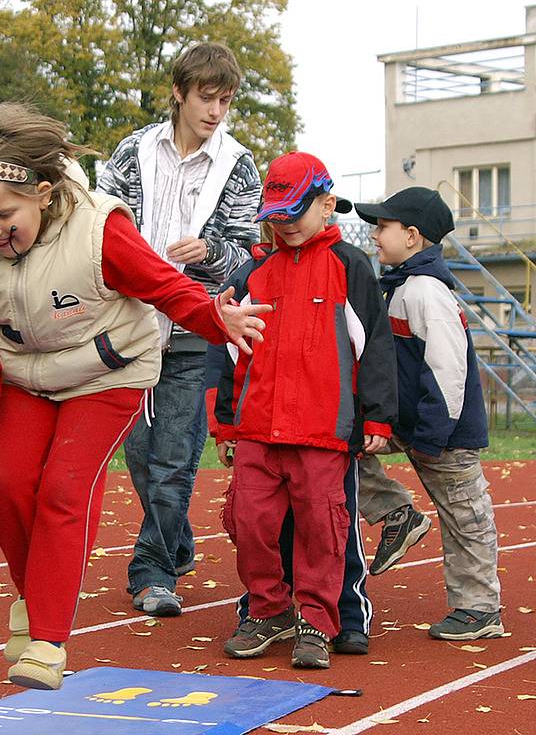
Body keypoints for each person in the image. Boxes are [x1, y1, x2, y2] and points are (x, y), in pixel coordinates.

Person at [0, 102, 271, 691]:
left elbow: (167, 287)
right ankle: (35, 596)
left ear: (43, 193)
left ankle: (46, 640)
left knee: (65, 490)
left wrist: (215, 317)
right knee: (3, 483)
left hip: (109, 371)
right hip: (29, 373)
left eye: (3, 217)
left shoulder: (101, 229)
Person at [214, 152, 397, 668]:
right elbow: (228, 353)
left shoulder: (351, 267)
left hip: (323, 431)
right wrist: (226, 423)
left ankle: (317, 622)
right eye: (277, 212)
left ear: (327, 205)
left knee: (322, 529)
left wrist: (378, 417)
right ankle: (268, 610)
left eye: (297, 211)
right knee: (249, 522)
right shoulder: (253, 272)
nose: (286, 223)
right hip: (256, 429)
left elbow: (376, 348)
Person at [97, 42, 261, 617]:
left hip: (196, 325)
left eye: (226, 100)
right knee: (140, 454)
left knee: (174, 455)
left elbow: (245, 250)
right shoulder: (132, 151)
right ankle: (178, 542)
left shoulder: (238, 164)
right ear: (179, 92)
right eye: (207, 98)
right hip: (131, 324)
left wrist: (210, 251)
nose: (216, 111)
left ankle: (152, 571)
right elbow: (102, 225)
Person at [354, 186, 503, 641]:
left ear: (413, 236)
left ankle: (480, 609)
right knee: (341, 446)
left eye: (383, 227)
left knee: (465, 516)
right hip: (409, 421)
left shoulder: (427, 295)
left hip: (444, 431)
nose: (375, 234)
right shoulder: (399, 287)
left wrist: (433, 436)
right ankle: (398, 513)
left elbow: (448, 373)